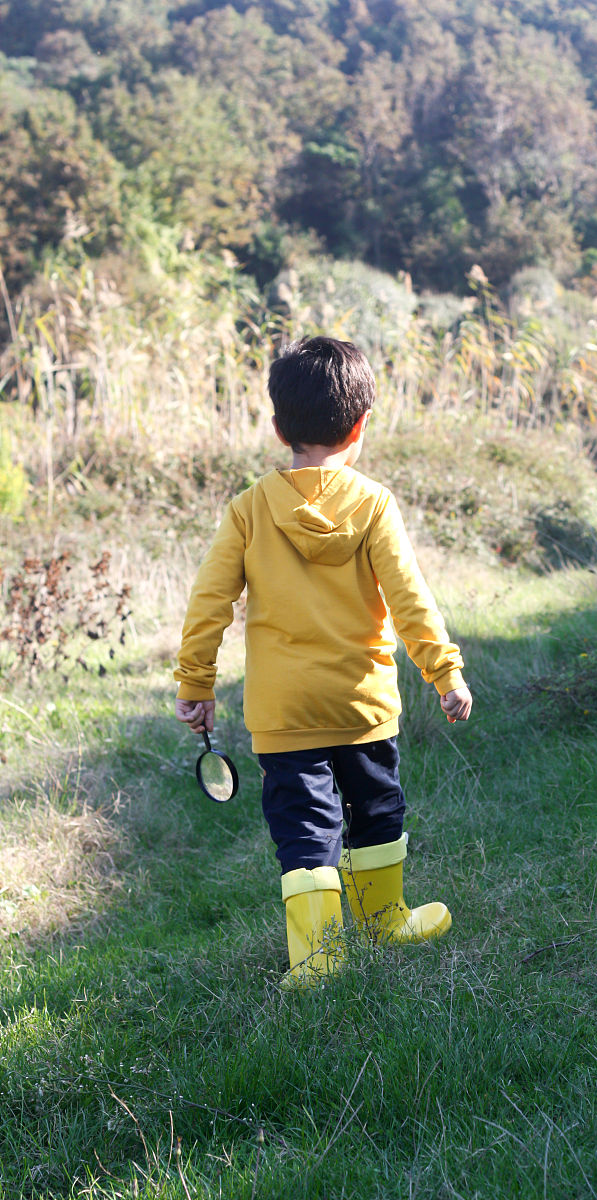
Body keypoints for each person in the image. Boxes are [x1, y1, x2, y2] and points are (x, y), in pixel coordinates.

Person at [174, 336, 472, 988]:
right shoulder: (373, 504)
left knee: (305, 829)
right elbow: (410, 600)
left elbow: (209, 602)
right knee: (377, 811)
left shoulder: (250, 509)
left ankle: (317, 958)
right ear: (360, 426)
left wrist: (196, 682)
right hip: (362, 703)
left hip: (284, 711)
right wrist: (444, 672)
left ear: (279, 428)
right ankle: (386, 920)